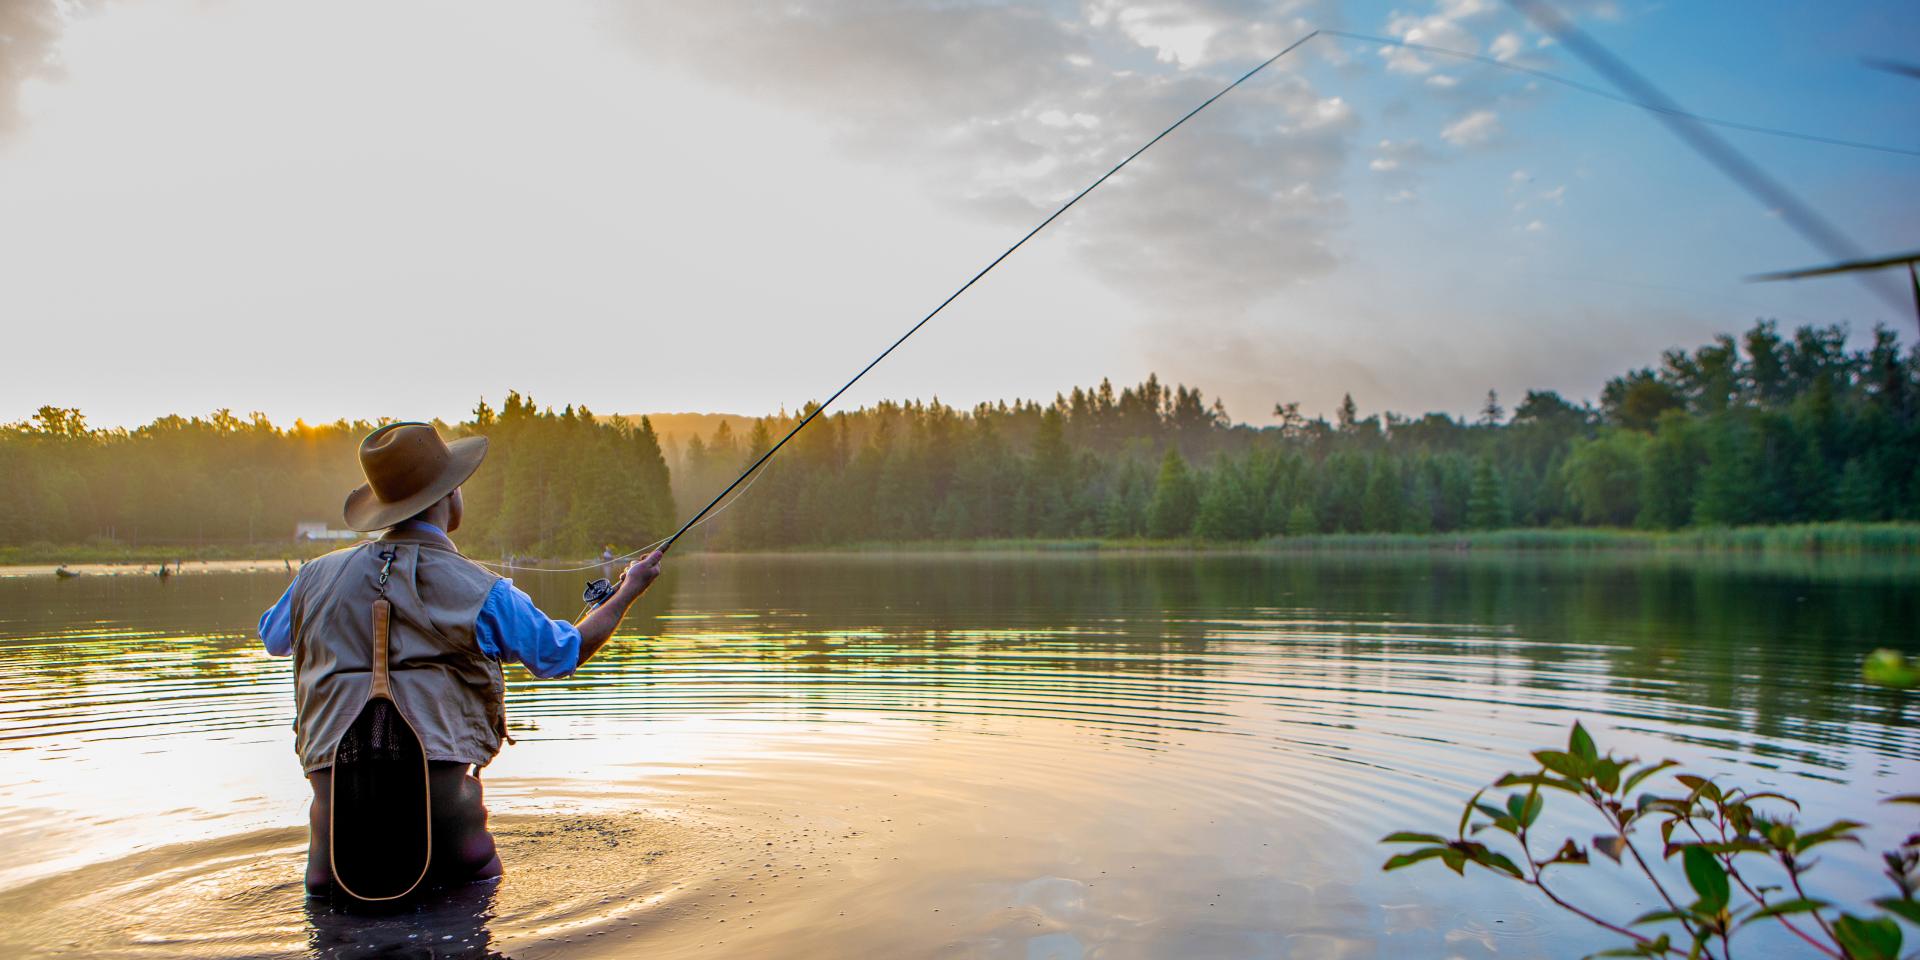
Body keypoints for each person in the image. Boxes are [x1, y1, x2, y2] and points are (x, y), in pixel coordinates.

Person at [257, 421, 662, 897]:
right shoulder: (482, 591)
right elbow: (562, 654)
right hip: (456, 861)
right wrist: (627, 591)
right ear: (449, 495)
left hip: (330, 872)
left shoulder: (312, 579)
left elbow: (274, 637)